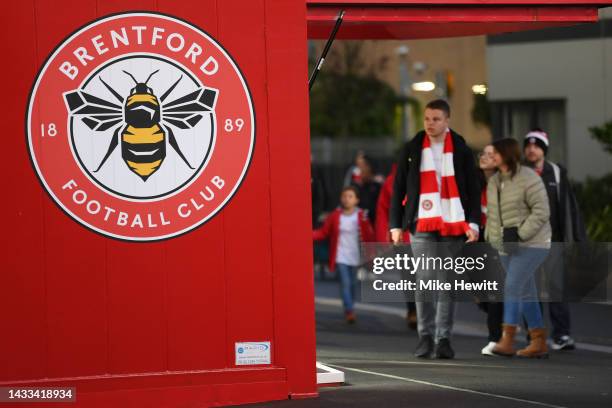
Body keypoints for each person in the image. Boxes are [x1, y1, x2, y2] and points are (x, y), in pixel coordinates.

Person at [389, 99, 481, 359]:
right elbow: (399, 189)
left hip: (453, 223)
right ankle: (425, 336)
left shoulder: (462, 149)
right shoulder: (413, 147)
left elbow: (473, 190)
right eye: (427, 119)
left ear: (447, 120)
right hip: (422, 223)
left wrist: (473, 222)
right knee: (425, 280)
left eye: (436, 119)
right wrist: (395, 224)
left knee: (446, 283)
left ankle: (443, 339)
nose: (430, 124)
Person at [486, 138, 551, 358]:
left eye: (495, 152)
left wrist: (520, 234)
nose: (491, 156)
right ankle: (538, 341)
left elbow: (542, 211)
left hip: (533, 243)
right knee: (526, 291)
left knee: (513, 285)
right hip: (506, 246)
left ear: (507, 153)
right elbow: (493, 217)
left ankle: (508, 338)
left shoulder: (528, 177)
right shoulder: (494, 181)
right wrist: (493, 240)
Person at [523, 129, 587, 351]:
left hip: (554, 241)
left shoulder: (557, 173)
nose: (532, 149)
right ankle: (534, 336)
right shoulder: (519, 173)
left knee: (556, 291)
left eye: (537, 146)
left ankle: (562, 335)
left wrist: (578, 239)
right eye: (528, 146)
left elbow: (571, 209)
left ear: (544, 149)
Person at [313, 186, 375, 323]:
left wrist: (372, 254)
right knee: (345, 283)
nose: (347, 199)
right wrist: (309, 235)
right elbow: (324, 232)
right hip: (340, 255)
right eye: (345, 196)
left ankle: (350, 305)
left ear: (356, 200)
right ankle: (349, 310)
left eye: (350, 196)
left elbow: (369, 235)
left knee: (353, 283)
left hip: (356, 256)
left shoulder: (361, 215)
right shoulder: (335, 215)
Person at [375, 163, 417, 330]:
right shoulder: (391, 182)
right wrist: (383, 238)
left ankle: (424, 311)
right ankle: (413, 310)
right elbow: (383, 210)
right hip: (402, 237)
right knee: (409, 276)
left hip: (426, 234)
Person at [475, 144, 504, 356]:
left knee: (495, 291)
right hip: (474, 241)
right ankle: (502, 322)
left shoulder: (505, 183)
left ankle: (495, 338)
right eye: (483, 153)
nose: (485, 157)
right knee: (480, 292)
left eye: (490, 154)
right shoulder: (473, 181)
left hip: (496, 240)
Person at [351, 154, 383, 226]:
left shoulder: (378, 185)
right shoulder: (355, 186)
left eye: (361, 165)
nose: (358, 169)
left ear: (369, 167)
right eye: (357, 165)